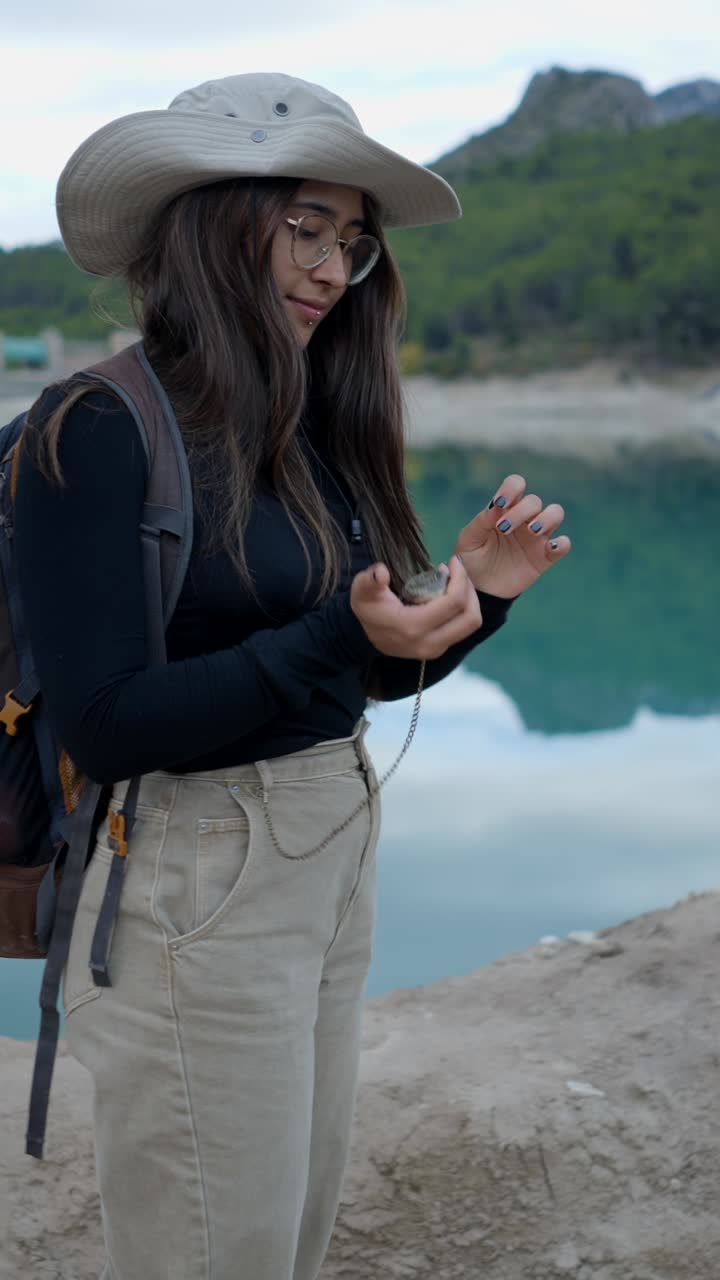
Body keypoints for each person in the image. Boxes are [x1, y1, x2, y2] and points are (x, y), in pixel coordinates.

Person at [14, 73, 570, 1280]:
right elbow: (109, 725)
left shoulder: (308, 420)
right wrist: (339, 633)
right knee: (214, 1247)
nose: (331, 267)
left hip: (328, 836)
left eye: (352, 242)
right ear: (217, 222)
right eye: (303, 227)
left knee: (287, 1235)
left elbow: (348, 681)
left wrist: (475, 601)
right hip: (188, 873)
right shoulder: (93, 428)